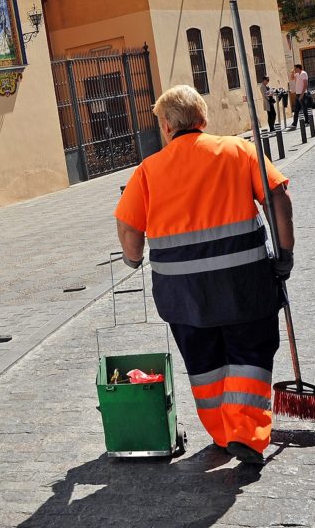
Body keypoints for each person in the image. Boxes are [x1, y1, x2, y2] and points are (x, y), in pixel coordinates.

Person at [114, 85, 295, 465]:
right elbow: (278, 196)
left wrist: (133, 260)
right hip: (245, 285)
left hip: (183, 296)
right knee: (250, 354)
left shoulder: (149, 170)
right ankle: (245, 432)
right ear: (204, 119)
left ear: (166, 126)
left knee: (204, 364)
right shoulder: (238, 150)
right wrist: (285, 253)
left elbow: (129, 228)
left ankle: (222, 432)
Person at [289, 64, 309, 131]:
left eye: (295, 68)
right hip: (297, 94)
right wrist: (292, 72)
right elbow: (292, 78)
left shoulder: (303, 73)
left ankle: (307, 121)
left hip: (302, 94)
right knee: (296, 109)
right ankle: (294, 124)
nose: (294, 69)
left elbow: (305, 84)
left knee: (304, 108)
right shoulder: (297, 74)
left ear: (298, 68)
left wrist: (302, 95)